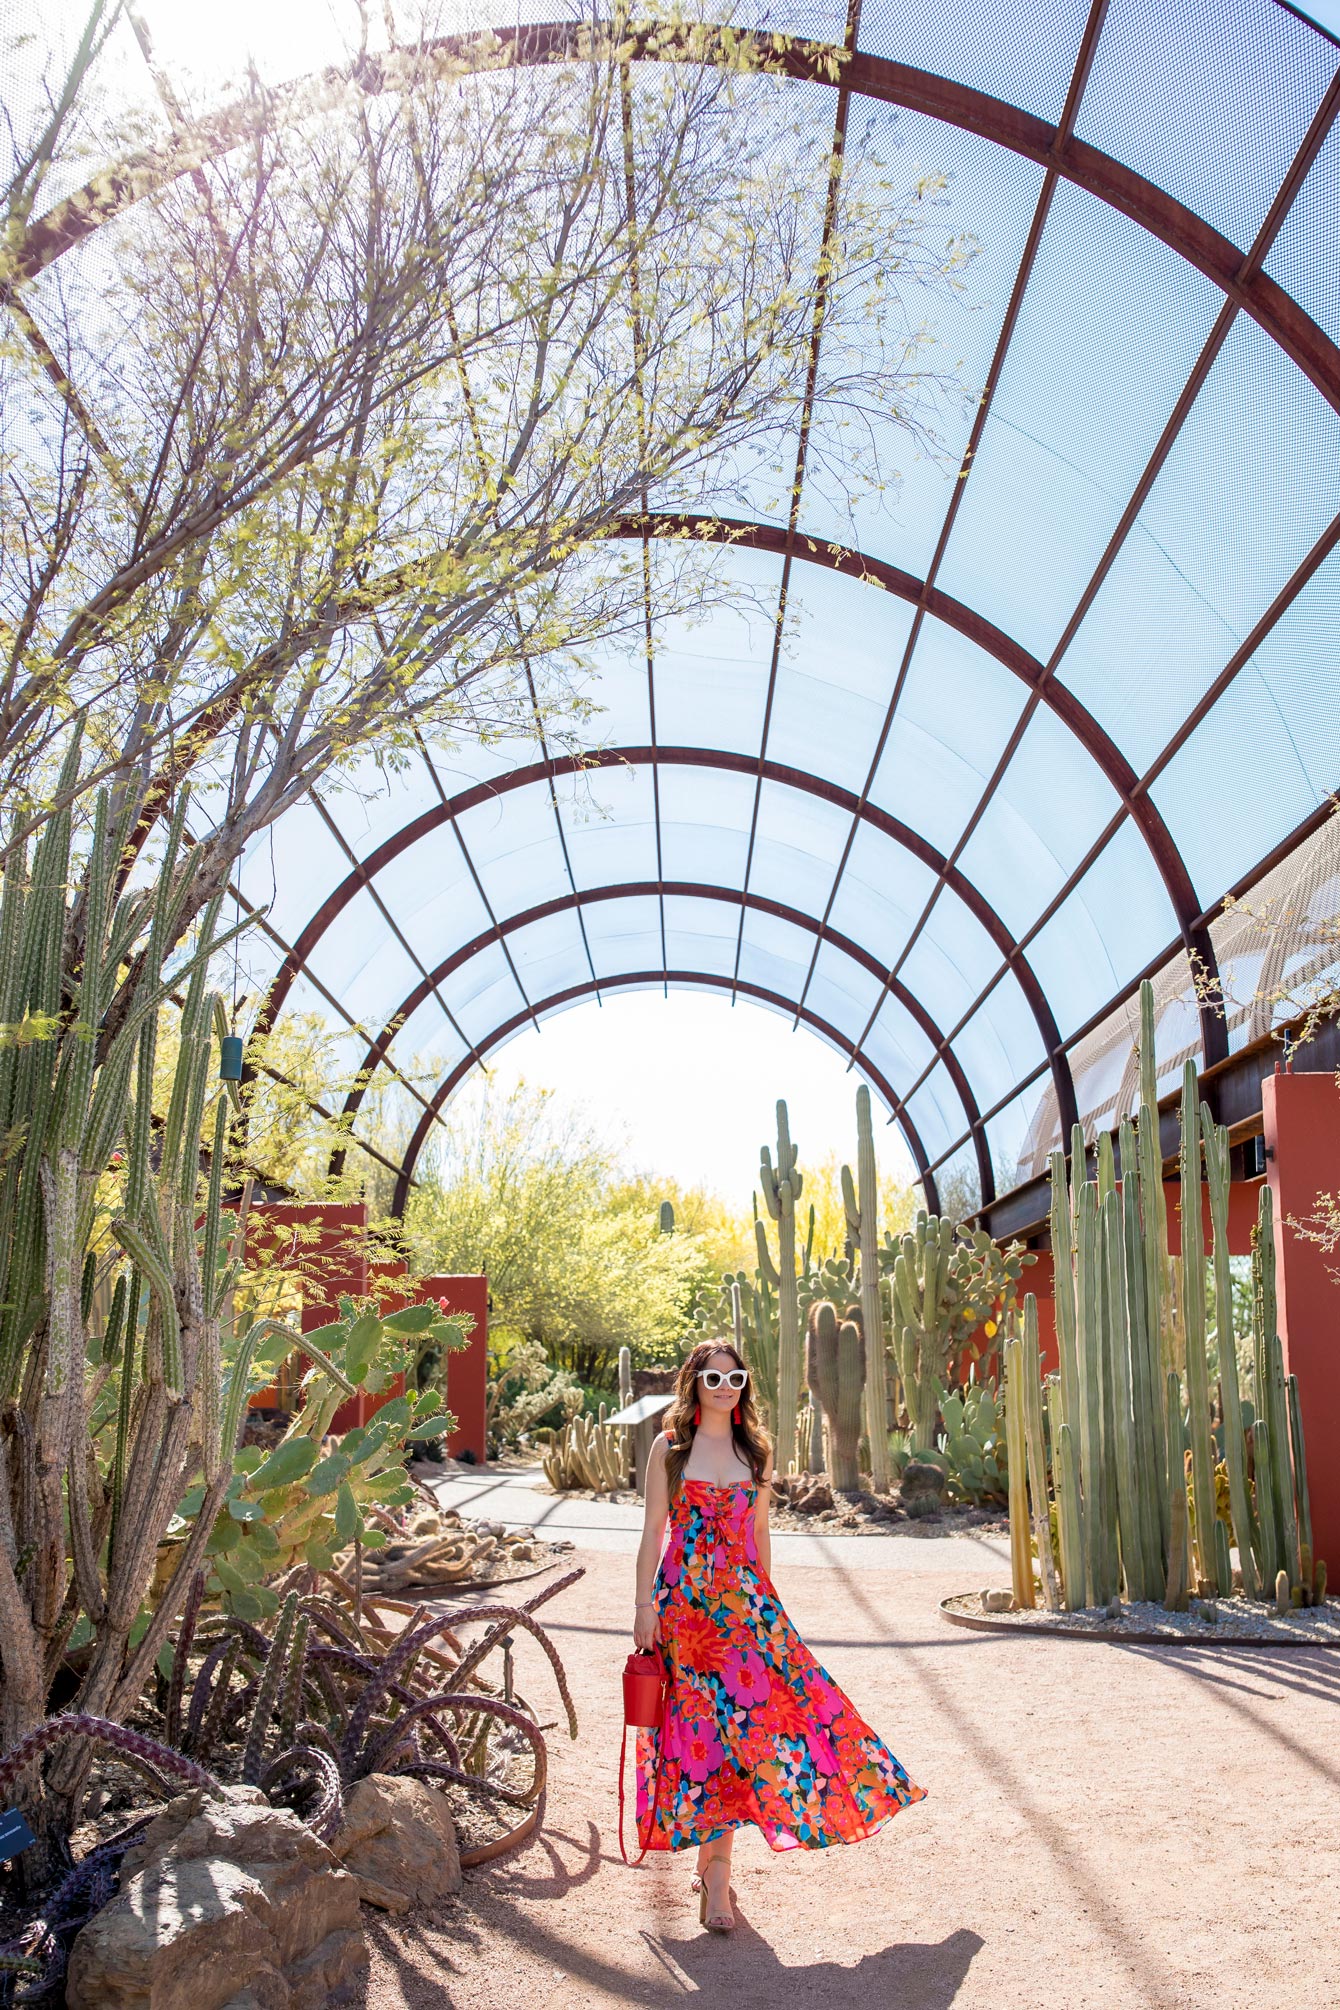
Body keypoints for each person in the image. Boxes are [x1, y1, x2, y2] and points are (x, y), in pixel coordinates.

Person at [631, 1339, 926, 1931]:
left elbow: (760, 1534)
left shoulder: (756, 1450)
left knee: (751, 1731)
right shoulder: (669, 1448)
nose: (723, 1388)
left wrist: (768, 1608)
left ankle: (718, 1875)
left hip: (745, 1613)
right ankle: (715, 1880)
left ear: (744, 1386)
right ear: (693, 1383)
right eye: (712, 1379)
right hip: (684, 1613)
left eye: (734, 1378)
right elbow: (653, 1531)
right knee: (699, 1736)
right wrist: (643, 1607)